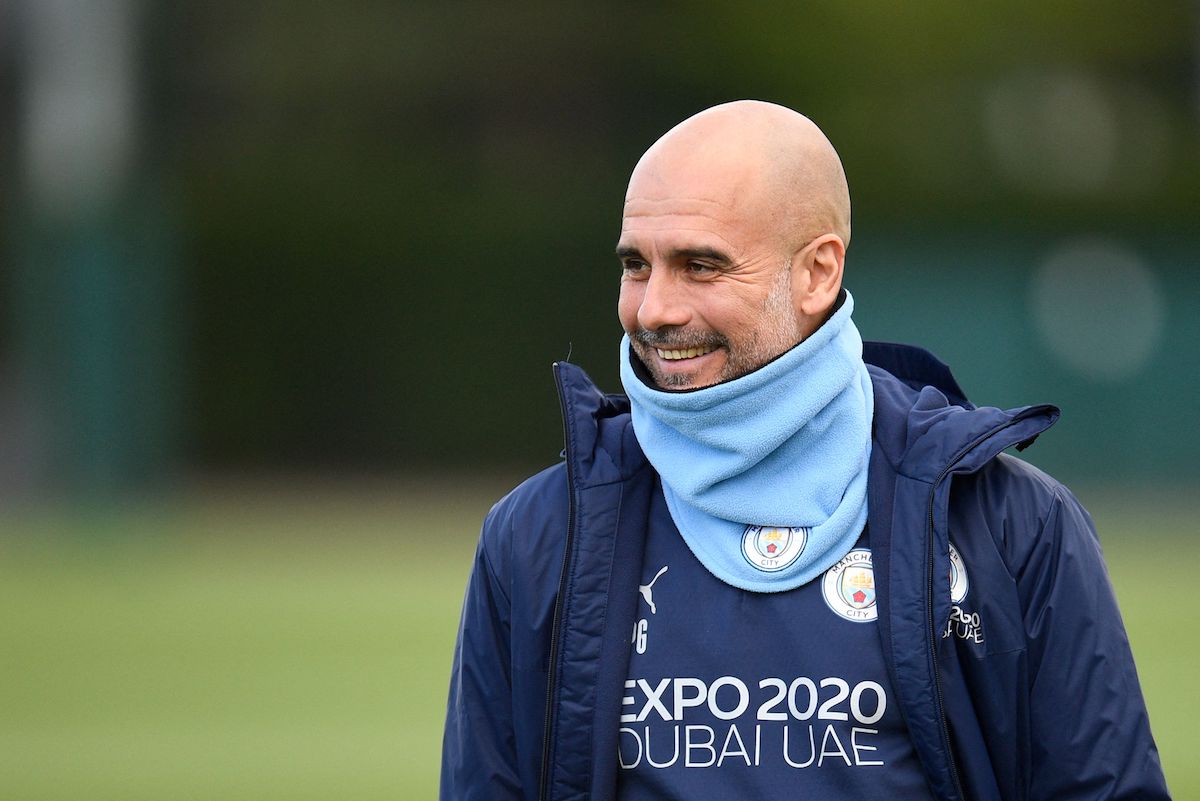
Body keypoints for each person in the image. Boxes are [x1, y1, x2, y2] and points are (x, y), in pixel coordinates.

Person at [440, 100, 1170, 801]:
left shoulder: (1013, 526)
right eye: (637, 265)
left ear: (818, 272)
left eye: (701, 265)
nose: (654, 308)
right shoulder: (535, 536)